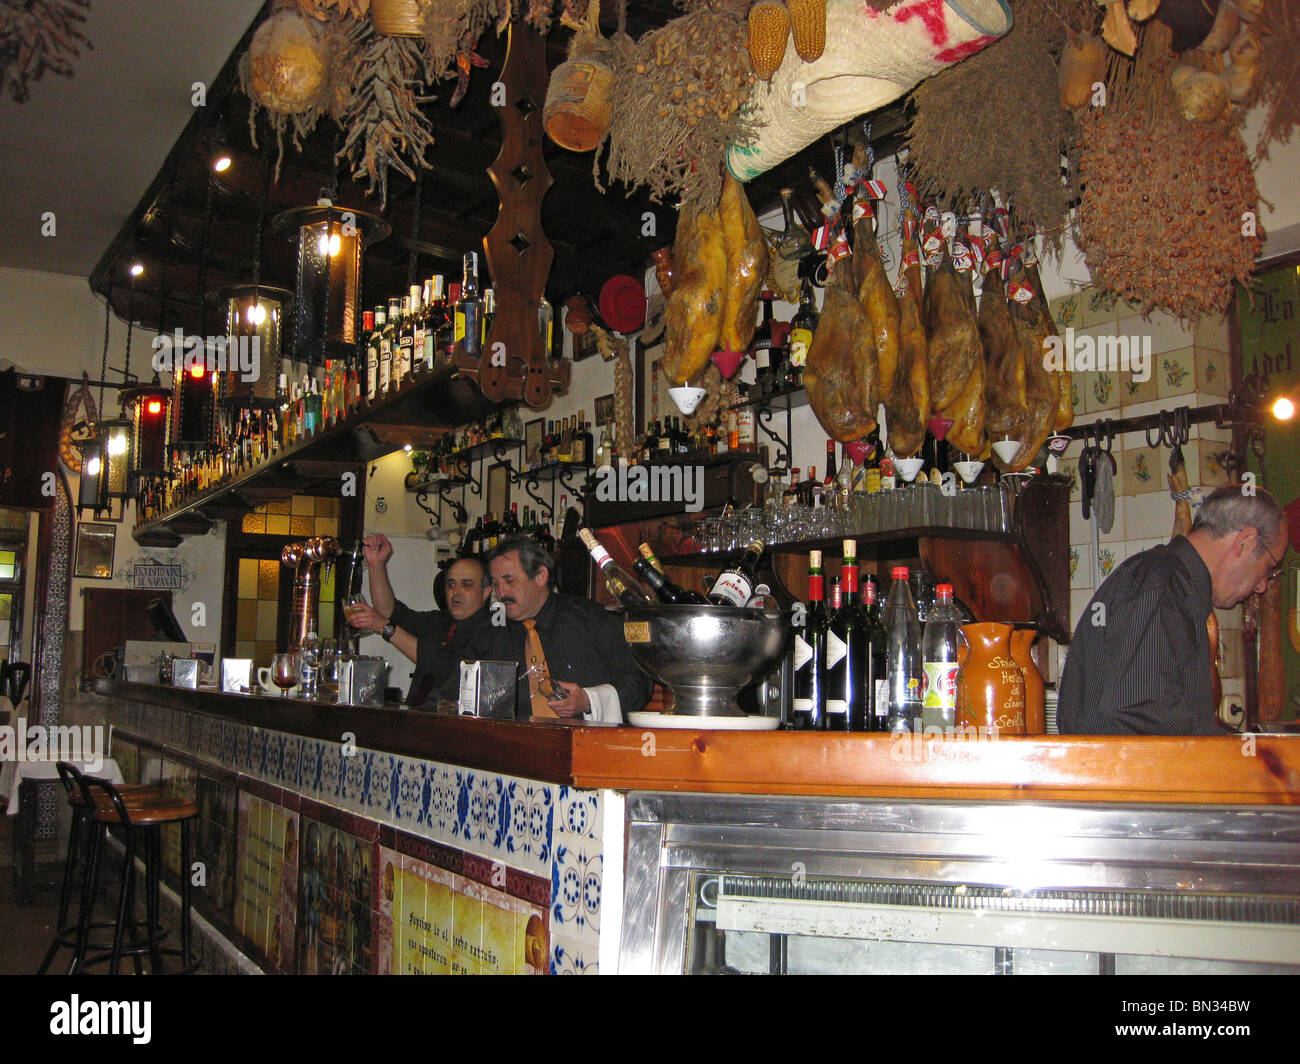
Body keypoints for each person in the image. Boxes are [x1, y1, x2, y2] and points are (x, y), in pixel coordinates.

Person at [1058, 484, 1287, 736]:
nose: (1263, 586)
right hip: (1119, 773)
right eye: (1269, 568)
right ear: (1245, 542)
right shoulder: (1163, 583)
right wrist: (1237, 754)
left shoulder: (1170, 583)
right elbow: (1136, 707)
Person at [450, 534, 653, 723]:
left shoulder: (591, 619)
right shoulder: (492, 632)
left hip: (587, 746)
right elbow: (452, 692)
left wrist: (588, 700)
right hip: (513, 748)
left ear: (540, 576)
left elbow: (639, 683)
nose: (501, 593)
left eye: (509, 581)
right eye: (495, 584)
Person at [347, 533, 492, 706]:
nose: (456, 592)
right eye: (451, 584)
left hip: (456, 728)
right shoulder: (440, 621)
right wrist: (376, 566)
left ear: (486, 592)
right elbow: (390, 612)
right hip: (416, 721)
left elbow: (444, 665)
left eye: (466, 585)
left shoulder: (491, 631)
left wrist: (386, 627)